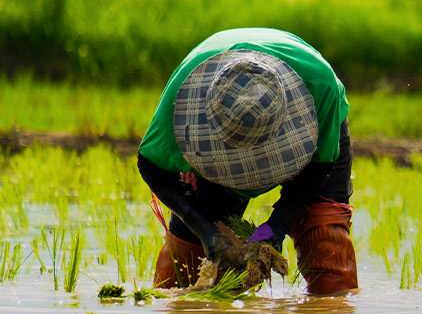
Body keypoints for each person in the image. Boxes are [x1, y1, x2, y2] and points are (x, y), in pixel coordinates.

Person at [138, 27, 358, 294]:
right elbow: (150, 163)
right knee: (185, 274)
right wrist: (205, 230)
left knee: (326, 245)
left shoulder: (320, 85)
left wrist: (276, 227)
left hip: (310, 131)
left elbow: (320, 164)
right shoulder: (181, 98)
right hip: (214, 136)